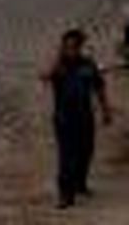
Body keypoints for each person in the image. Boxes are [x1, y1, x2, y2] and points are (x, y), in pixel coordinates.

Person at [40, 29, 112, 209]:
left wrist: (106, 111)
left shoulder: (88, 65)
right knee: (66, 157)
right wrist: (57, 59)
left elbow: (99, 87)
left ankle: (80, 184)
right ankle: (65, 194)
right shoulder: (59, 67)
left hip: (85, 117)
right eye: (66, 47)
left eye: (73, 46)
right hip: (64, 119)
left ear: (80, 47)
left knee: (86, 152)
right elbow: (44, 76)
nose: (70, 50)